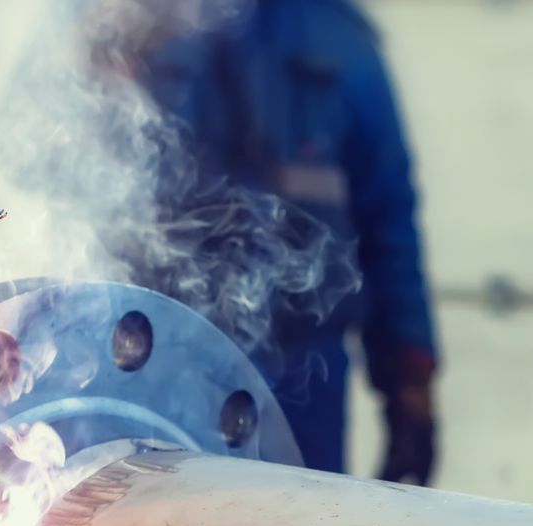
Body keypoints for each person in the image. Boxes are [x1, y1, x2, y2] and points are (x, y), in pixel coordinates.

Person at [128, 0, 441, 482]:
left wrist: (410, 384)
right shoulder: (122, 19)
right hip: (156, 362)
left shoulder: (341, 41)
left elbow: (388, 218)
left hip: (306, 380)